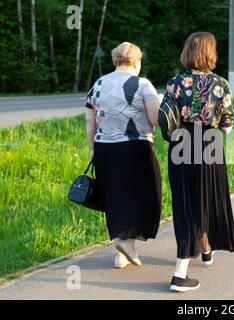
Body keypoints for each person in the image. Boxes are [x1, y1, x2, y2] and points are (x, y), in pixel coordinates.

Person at [161, 32, 234, 292]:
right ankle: (179, 274)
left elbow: (165, 119)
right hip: (209, 144)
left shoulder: (174, 83)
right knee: (206, 199)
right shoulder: (220, 84)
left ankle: (205, 248)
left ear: (188, 51)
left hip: (180, 144)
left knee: (186, 204)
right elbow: (227, 127)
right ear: (210, 52)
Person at [85, 42, 162, 269]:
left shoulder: (98, 84)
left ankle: (122, 251)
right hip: (135, 147)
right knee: (145, 194)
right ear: (136, 62)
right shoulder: (142, 84)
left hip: (104, 149)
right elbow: (156, 119)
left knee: (116, 197)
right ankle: (126, 244)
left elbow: (90, 120)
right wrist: (157, 98)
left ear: (115, 60)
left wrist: (92, 148)